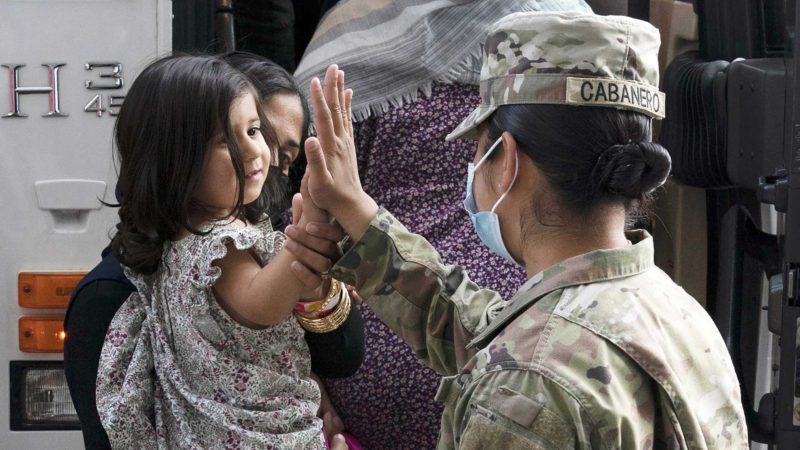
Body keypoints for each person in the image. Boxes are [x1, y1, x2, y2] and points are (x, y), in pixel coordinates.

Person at [295, 11, 749, 449]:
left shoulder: (525, 390)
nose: (472, 168)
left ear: (507, 158)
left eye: (476, 148)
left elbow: (527, 357)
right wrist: (355, 211)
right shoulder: (675, 309)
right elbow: (487, 332)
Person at [293, 1, 590, 447]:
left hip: (518, 361)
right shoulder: (354, 30)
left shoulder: (569, 34)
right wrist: (299, 375)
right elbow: (300, 220)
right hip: (378, 364)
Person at [64, 53, 363, 450]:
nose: (261, 157)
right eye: (226, 140)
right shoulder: (214, 249)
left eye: (255, 132)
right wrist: (307, 244)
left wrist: (320, 289)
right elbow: (263, 303)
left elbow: (345, 354)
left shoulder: (228, 235)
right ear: (177, 160)